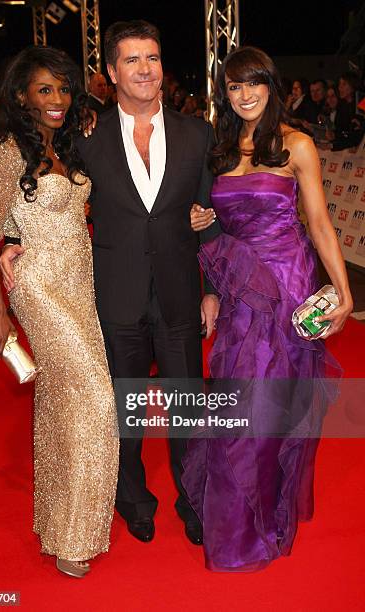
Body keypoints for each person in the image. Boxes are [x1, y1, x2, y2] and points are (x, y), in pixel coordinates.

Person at [1, 20, 220, 547]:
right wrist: (12, 234)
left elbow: (214, 214)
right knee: (124, 410)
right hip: (113, 293)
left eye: (153, 57)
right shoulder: (85, 136)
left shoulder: (198, 133)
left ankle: (192, 500)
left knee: (187, 405)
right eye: (132, 60)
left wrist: (212, 286)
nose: (145, 69)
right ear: (111, 73)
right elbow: (39, 178)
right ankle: (133, 500)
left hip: (179, 293)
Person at [183, 46, 352, 572]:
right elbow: (212, 229)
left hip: (288, 285)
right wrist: (208, 286)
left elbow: (320, 224)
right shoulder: (216, 151)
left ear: (271, 86)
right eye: (234, 87)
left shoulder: (297, 144)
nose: (245, 94)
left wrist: (344, 293)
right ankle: (238, 522)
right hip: (238, 289)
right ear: (224, 95)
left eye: (254, 83)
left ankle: (259, 520)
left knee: (273, 403)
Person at [0, 46, 119, 578]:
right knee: (97, 396)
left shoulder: (71, 145)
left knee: (65, 400)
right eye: (45, 90)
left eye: (63, 88)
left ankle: (60, 526)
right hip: (36, 286)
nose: (57, 99)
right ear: (21, 97)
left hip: (80, 284)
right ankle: (74, 532)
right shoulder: (8, 152)